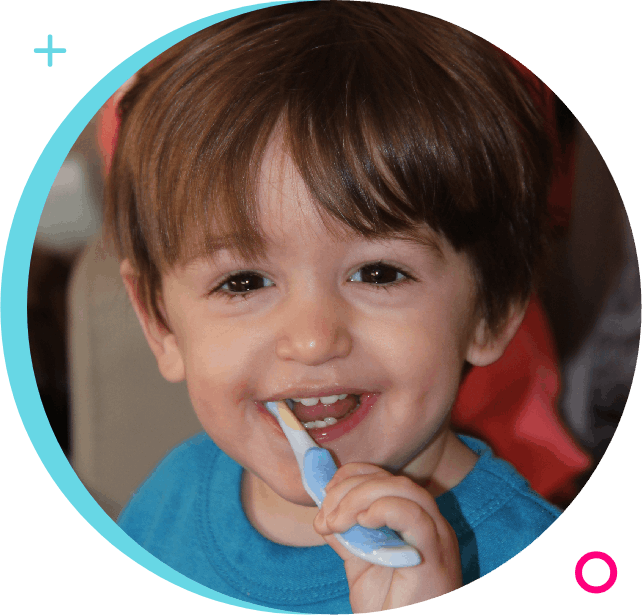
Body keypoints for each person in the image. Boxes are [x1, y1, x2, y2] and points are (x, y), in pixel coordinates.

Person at [106, 3, 562, 611]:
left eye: (379, 272)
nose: (314, 339)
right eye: (243, 281)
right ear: (160, 322)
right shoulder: (173, 493)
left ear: (495, 308)